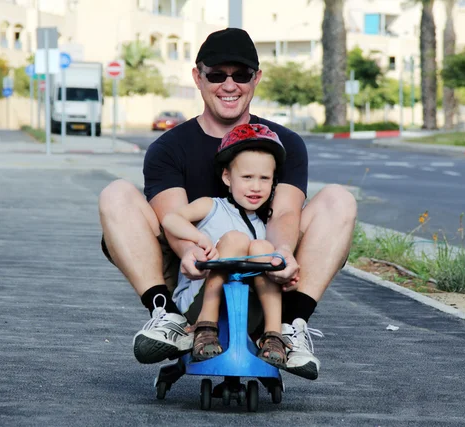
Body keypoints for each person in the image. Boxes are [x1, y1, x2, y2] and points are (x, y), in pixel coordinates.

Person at [98, 28, 357, 380]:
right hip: (193, 275)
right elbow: (172, 217)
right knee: (116, 193)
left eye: (242, 75)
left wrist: (282, 253)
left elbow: (284, 212)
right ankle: (168, 317)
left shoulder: (286, 144)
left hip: (266, 272)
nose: (229, 85)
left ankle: (288, 328)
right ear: (198, 77)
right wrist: (191, 251)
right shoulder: (169, 147)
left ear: (257, 78)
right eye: (217, 75)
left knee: (339, 199)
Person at [161, 123, 290, 369]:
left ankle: (273, 335)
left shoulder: (264, 225)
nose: (256, 186)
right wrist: (199, 239)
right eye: (247, 177)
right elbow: (170, 219)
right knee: (236, 239)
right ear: (227, 177)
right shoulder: (212, 207)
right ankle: (205, 326)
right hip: (197, 303)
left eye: (265, 179)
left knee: (264, 247)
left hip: (244, 310)